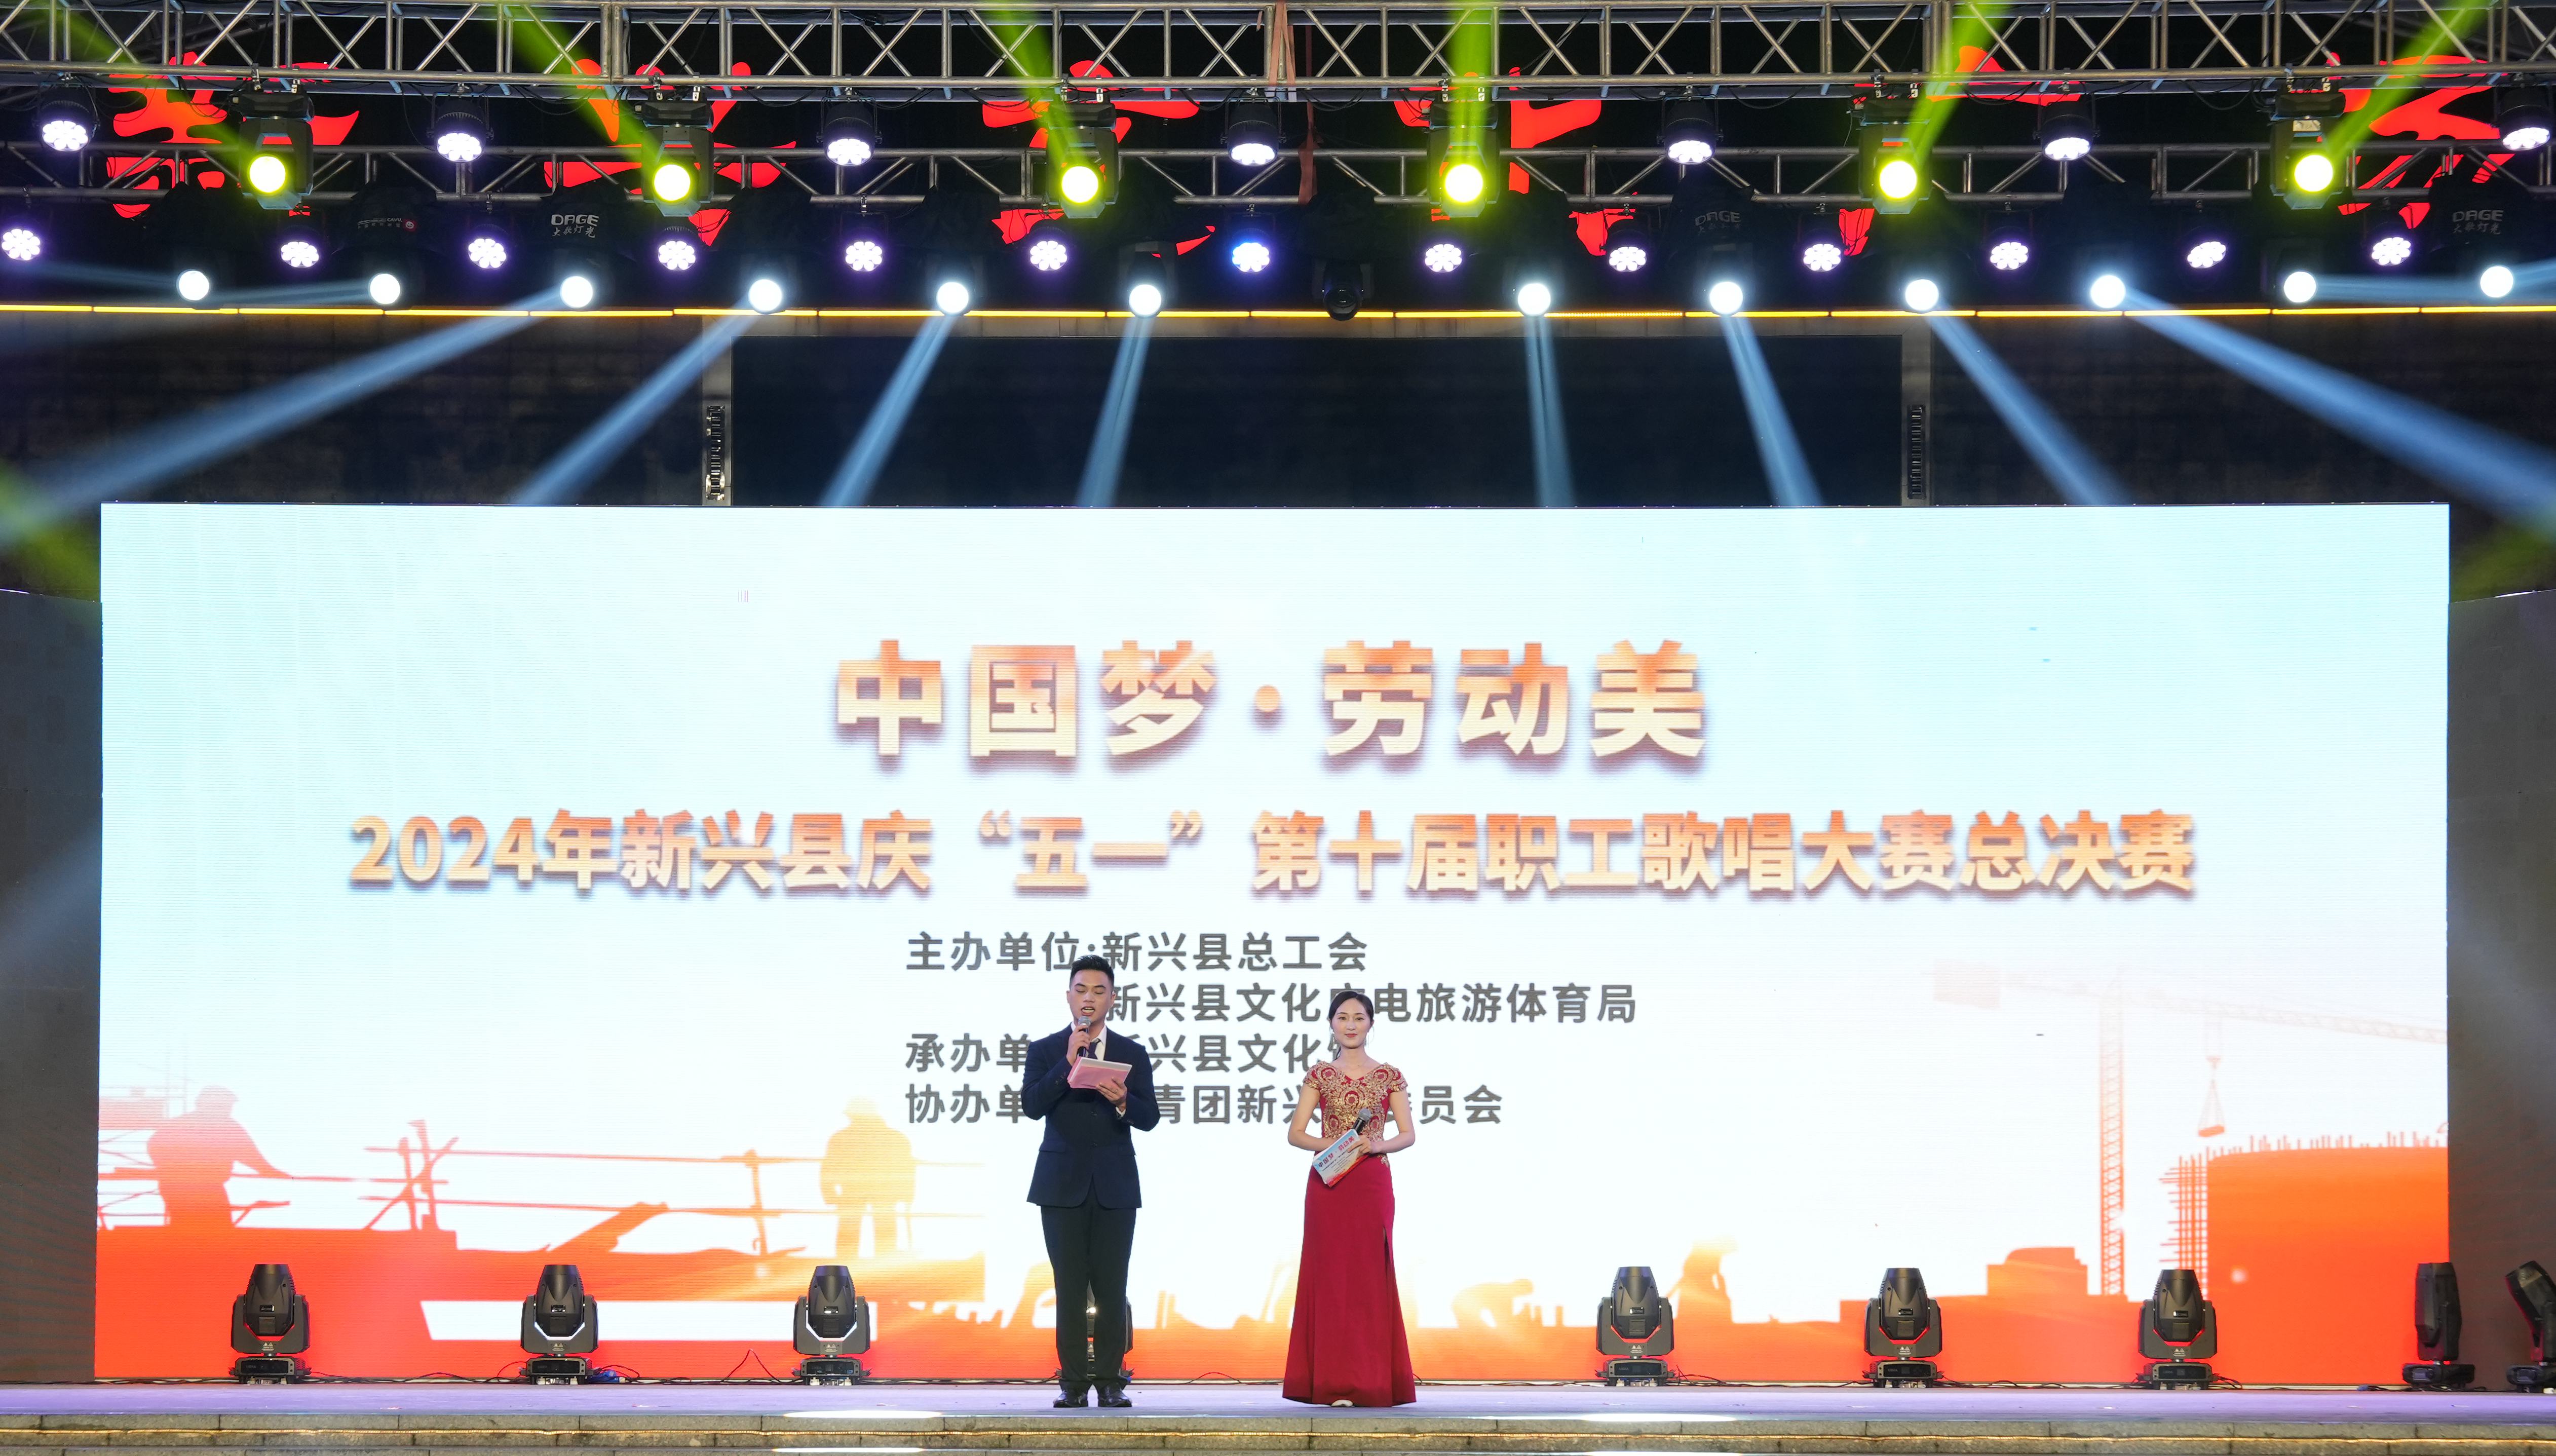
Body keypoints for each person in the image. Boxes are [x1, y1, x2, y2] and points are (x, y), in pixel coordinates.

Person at [1020, 953, 1159, 1408]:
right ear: (1068, 996)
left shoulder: (1132, 1053)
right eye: (1081, 990)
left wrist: (1123, 1102)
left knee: (1112, 1285)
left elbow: (1150, 1117)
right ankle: (1074, 1384)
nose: (1089, 999)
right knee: (1069, 1287)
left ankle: (1111, 1382)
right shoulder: (1045, 1050)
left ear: (1113, 999)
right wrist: (1066, 1064)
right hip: (1061, 1186)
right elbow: (1032, 1106)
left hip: (1115, 1186)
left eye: (1099, 991)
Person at [1282, 989, 1417, 1407]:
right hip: (1329, 1183)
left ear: (1371, 1024)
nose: (1351, 1025)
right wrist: (1337, 1144)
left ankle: (1371, 1382)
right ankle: (1331, 1382)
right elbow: (1295, 1133)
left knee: (1368, 1280)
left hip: (1371, 1184)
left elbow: (1407, 1134)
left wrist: (1375, 1145)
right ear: (1331, 1024)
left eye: (1359, 1017)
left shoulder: (1389, 1075)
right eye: (1342, 1017)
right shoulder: (1320, 1075)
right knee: (1330, 1280)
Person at [146, 1086, 285, 1233]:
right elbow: (249, 1154)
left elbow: (155, 1148)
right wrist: (269, 1171)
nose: (228, 1110)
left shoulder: (178, 1125)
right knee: (216, 1231)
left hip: (180, 1187)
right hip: (202, 1188)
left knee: (187, 1229)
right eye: (227, 1105)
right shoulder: (225, 1126)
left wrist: (171, 1169)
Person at [821, 1098, 915, 1259]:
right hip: (883, 1191)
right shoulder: (895, 1137)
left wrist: (830, 1194)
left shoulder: (841, 1138)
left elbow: (828, 1168)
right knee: (883, 1231)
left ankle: (848, 1263)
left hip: (855, 1190)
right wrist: (907, 1193)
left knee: (851, 1232)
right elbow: (907, 1168)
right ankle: (883, 1264)